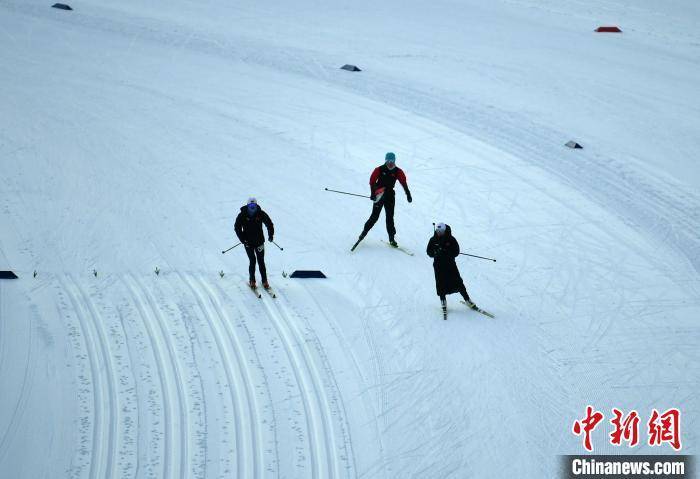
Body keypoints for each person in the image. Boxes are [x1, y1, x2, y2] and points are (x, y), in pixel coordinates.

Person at [355, 152, 412, 248]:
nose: (390, 163)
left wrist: (408, 194)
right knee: (374, 217)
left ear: (394, 161)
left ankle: (391, 238)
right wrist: (373, 193)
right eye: (388, 161)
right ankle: (363, 233)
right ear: (385, 160)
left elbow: (403, 182)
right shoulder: (379, 169)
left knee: (390, 218)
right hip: (379, 195)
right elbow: (372, 181)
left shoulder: (398, 171)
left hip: (390, 195)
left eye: (392, 161)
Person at [426, 223, 477, 315]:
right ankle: (443, 301)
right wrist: (435, 252)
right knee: (440, 284)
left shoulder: (451, 239)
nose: (439, 233)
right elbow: (429, 252)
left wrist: (446, 251)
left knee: (458, 282)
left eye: (441, 231)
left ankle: (467, 300)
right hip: (438, 266)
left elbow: (456, 252)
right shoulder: (433, 240)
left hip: (450, 265)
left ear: (445, 231)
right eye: (437, 231)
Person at [234, 197, 274, 289]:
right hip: (248, 243)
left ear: (256, 205)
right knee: (252, 261)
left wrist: (270, 235)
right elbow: (237, 227)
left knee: (261, 261)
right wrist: (242, 239)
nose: (252, 207)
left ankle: (265, 281)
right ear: (248, 206)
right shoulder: (242, 215)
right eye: (251, 205)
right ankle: (252, 280)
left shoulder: (260, 213)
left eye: (254, 205)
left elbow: (269, 224)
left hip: (259, 242)